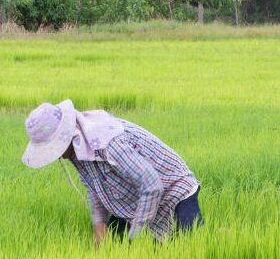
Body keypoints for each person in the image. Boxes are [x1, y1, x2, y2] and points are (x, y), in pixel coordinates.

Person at [22, 100, 202, 243]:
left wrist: (136, 236)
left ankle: (222, 233)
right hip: (135, 196)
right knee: (117, 243)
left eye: (55, 148)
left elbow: (152, 185)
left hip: (173, 188)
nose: (58, 156)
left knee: (192, 242)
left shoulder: (109, 143)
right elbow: (95, 188)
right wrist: (99, 225)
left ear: (68, 134)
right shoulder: (78, 149)